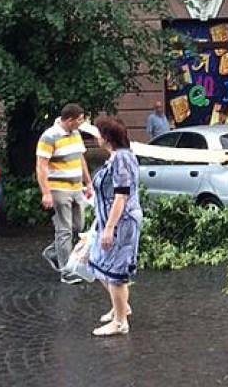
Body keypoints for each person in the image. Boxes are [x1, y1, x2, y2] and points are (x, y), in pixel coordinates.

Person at [89, 116, 142, 336]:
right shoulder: (115, 158)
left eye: (99, 134)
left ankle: (120, 322)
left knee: (115, 271)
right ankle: (121, 306)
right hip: (108, 219)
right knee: (97, 261)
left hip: (122, 222)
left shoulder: (122, 158)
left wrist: (110, 228)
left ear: (106, 137)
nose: (96, 138)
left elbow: (121, 196)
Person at [36, 104, 94, 284]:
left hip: (76, 188)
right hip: (59, 189)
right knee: (65, 230)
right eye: (79, 120)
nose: (82, 123)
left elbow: (80, 158)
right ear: (69, 120)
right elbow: (41, 166)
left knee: (79, 225)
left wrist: (88, 182)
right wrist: (46, 193)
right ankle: (66, 272)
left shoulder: (76, 134)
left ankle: (54, 252)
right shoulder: (49, 136)